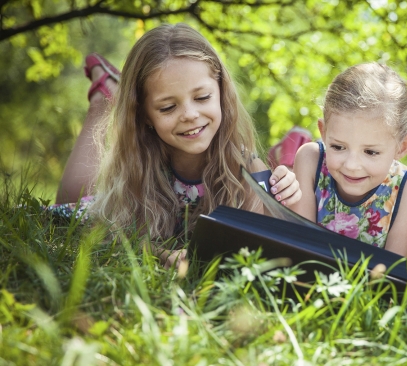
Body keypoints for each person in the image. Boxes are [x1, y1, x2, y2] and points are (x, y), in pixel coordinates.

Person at [52, 23, 301, 267]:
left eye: (202, 97)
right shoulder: (139, 162)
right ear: (144, 115)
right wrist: (160, 253)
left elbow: (260, 247)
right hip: (121, 183)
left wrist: (286, 190)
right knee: (69, 204)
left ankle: (287, 157)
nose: (190, 115)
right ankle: (104, 99)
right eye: (168, 107)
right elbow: (115, 235)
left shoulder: (245, 170)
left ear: (222, 91)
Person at [290, 63, 407, 257]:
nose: (352, 166)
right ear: (324, 132)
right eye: (338, 147)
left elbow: (395, 273)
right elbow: (298, 248)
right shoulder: (310, 160)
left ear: (402, 146)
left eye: (370, 152)